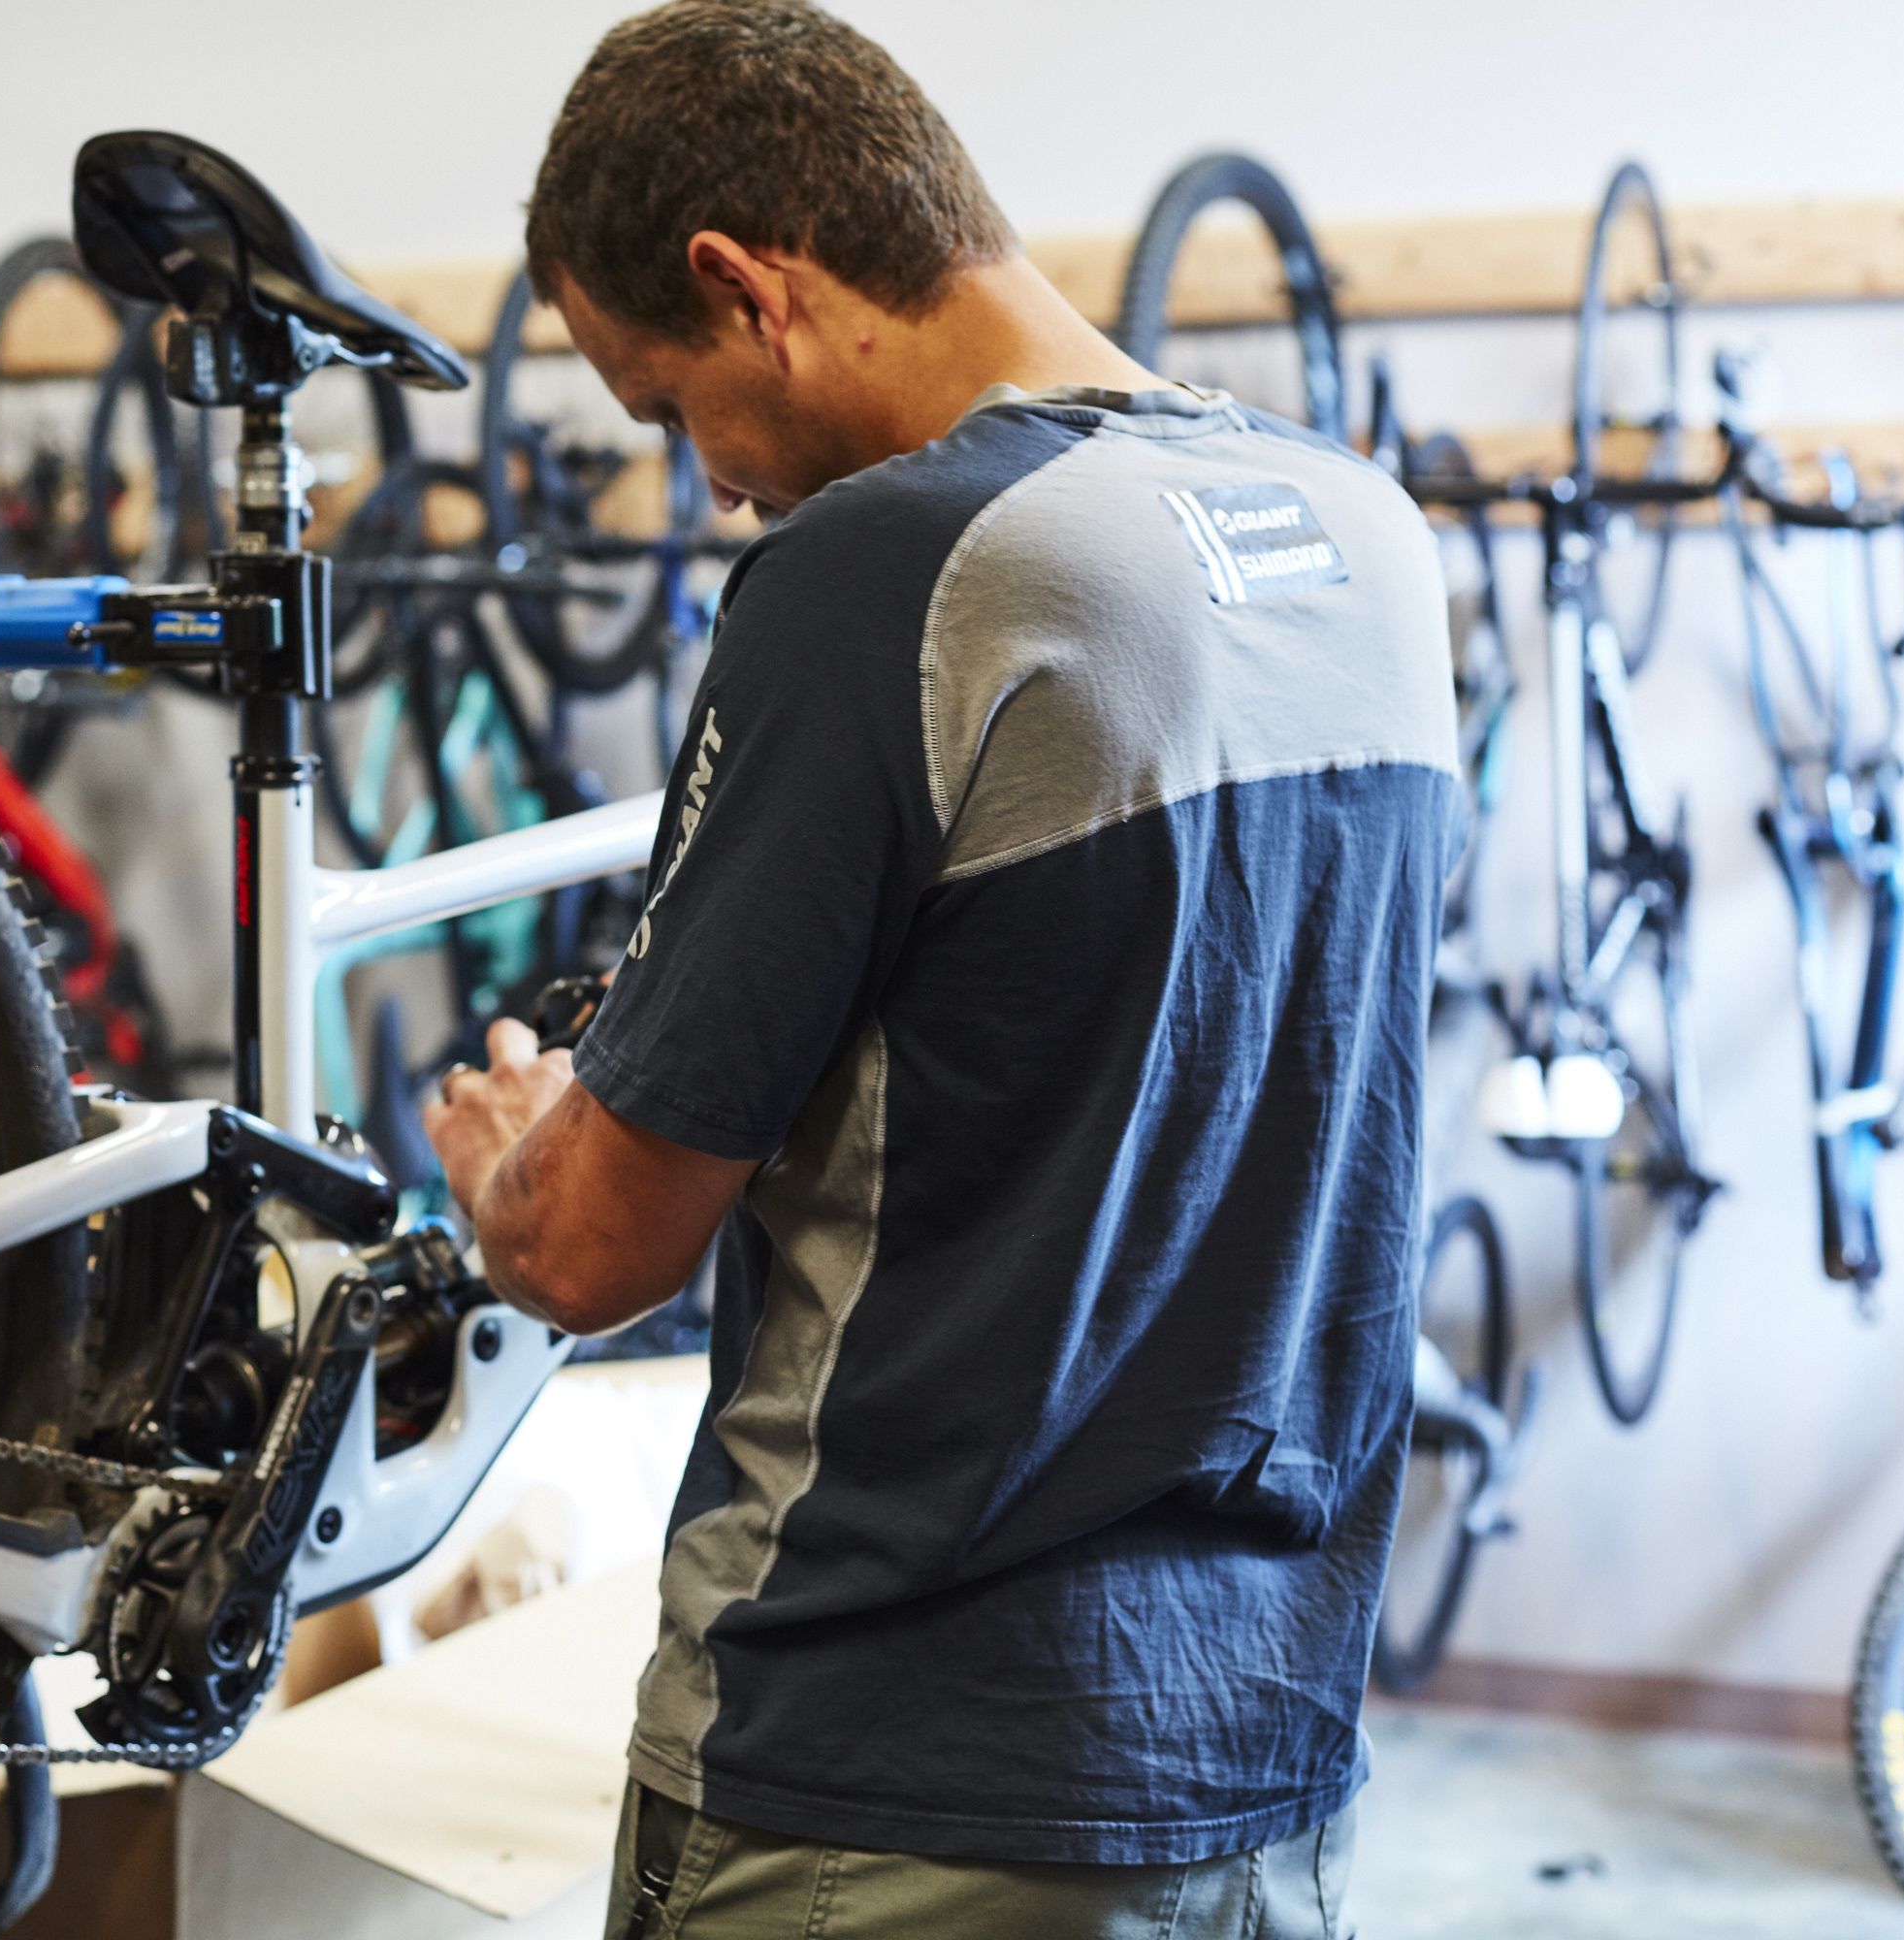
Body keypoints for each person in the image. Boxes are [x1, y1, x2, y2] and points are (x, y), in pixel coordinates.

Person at [421, 4, 1455, 1932]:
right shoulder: (1369, 542)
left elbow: (591, 1249)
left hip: (885, 1787)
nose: (712, 479)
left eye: (668, 405)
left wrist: (516, 1154)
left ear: (748, 288)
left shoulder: (891, 574)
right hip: (1263, 1770)